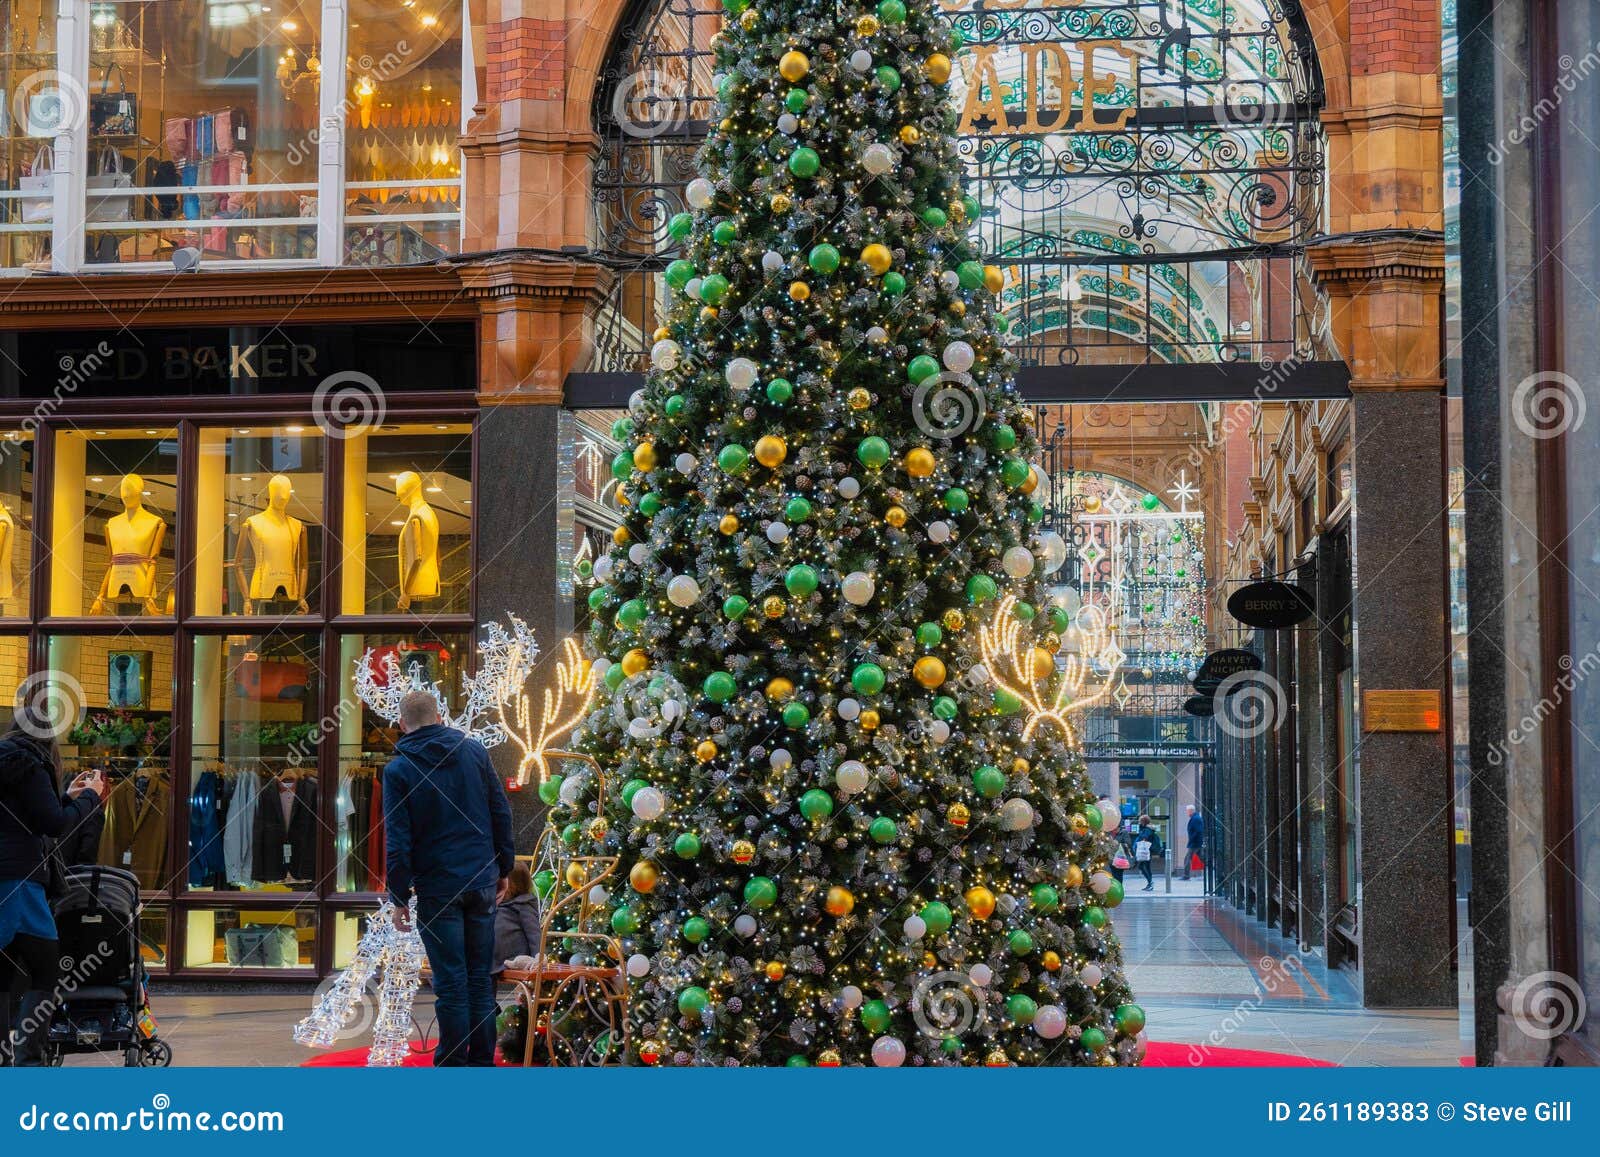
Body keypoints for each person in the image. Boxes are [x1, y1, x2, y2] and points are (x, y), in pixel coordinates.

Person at [383, 691, 514, 1067]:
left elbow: (399, 839)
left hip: (438, 886)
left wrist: (398, 896)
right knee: (479, 979)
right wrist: (503, 869)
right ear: (440, 716)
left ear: (402, 724)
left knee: (452, 983)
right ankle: (482, 1063)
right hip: (480, 879)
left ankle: (453, 1065)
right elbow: (500, 812)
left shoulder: (399, 770)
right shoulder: (474, 752)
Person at [0, 709, 107, 1066]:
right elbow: (54, 825)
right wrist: (90, 797)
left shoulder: (8, 758)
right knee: (47, 970)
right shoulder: (31, 762)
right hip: (20, 882)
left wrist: (65, 796)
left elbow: (29, 813)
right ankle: (27, 1061)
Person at [491, 863, 539, 979]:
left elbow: (534, 933)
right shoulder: (496, 903)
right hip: (492, 954)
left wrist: (538, 956)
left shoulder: (523, 905)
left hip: (512, 956)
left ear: (515, 885)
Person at [1132, 814, 1162, 891]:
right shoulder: (1148, 829)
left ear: (1143, 822)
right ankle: (1150, 883)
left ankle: (1150, 882)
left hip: (1145, 852)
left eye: (1140, 821)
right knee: (1147, 867)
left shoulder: (1147, 830)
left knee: (1142, 867)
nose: (1139, 823)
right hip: (1147, 851)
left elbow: (1144, 838)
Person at [1183, 805, 1204, 881]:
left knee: (1187, 858)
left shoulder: (1195, 819)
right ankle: (1214, 869)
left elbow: (1198, 831)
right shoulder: (1196, 818)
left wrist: (1192, 839)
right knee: (1202, 857)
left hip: (1195, 843)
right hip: (1196, 842)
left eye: (1187, 811)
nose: (1187, 813)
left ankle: (1186, 875)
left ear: (1191, 811)